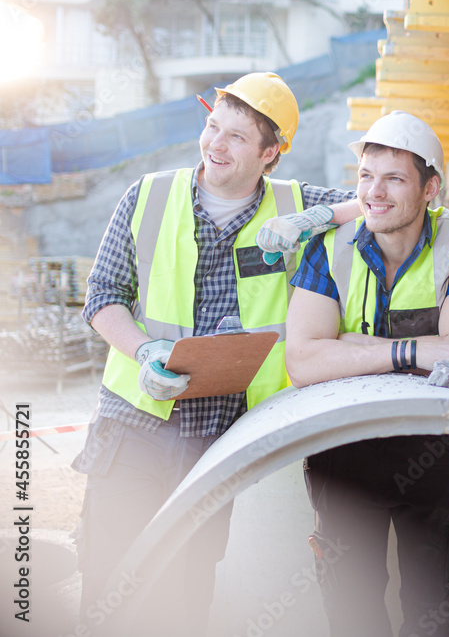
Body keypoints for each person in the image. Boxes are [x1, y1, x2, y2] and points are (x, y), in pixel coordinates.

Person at [74, 71, 360, 636]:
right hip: (135, 422)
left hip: (220, 437)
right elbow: (103, 297)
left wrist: (317, 219)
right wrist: (143, 349)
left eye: (236, 136)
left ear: (270, 152)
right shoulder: (148, 195)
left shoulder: (293, 204)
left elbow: (377, 202)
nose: (215, 145)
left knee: (188, 581)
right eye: (213, 126)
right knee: (110, 571)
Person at [281, 110, 449, 636]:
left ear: (430, 188)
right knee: (353, 612)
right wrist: (413, 351)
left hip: (427, 451)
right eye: (366, 177)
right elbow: (303, 361)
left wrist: (350, 346)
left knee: (429, 607)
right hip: (340, 453)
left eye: (394, 178)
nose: (374, 192)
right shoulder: (327, 246)